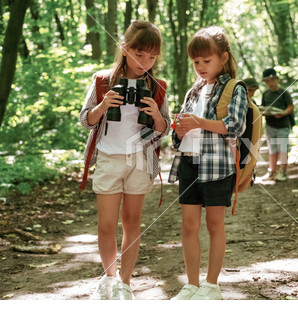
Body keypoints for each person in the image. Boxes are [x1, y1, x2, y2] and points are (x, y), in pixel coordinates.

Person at [79, 21, 170, 300]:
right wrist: (103, 105)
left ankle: (125, 284)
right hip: (108, 157)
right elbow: (86, 120)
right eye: (139, 54)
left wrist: (156, 114)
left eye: (152, 56)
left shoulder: (157, 86)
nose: (145, 62)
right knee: (106, 225)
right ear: (124, 48)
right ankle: (108, 278)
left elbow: (164, 129)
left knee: (132, 223)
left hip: (140, 161)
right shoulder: (102, 80)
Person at [168, 26, 248, 300]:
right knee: (189, 225)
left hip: (218, 166)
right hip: (189, 163)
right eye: (196, 62)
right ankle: (191, 284)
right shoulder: (194, 90)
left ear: (223, 57)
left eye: (206, 60)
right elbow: (177, 135)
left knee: (215, 225)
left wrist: (199, 123)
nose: (200, 67)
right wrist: (178, 131)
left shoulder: (234, 88)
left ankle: (212, 285)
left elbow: (235, 126)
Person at [261, 68, 294, 182]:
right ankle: (272, 172)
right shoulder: (265, 94)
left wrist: (282, 113)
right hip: (270, 126)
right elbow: (263, 108)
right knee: (272, 149)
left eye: (272, 80)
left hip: (283, 125)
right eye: (267, 81)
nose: (270, 83)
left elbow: (290, 107)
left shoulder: (284, 93)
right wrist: (264, 113)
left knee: (283, 149)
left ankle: (283, 172)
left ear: (276, 79)